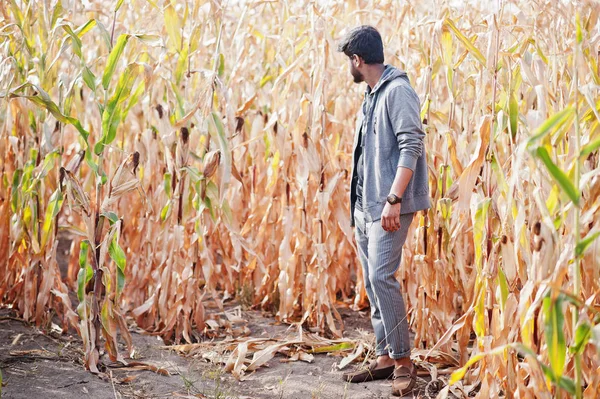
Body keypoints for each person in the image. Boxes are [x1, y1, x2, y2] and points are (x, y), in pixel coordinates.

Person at [337, 25, 431, 397]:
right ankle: (385, 356)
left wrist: (394, 200)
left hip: (388, 204)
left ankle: (404, 361)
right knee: (371, 280)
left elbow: (412, 146)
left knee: (382, 276)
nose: (350, 67)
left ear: (358, 60)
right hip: (366, 204)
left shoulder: (398, 92)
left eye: (350, 61)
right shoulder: (371, 94)